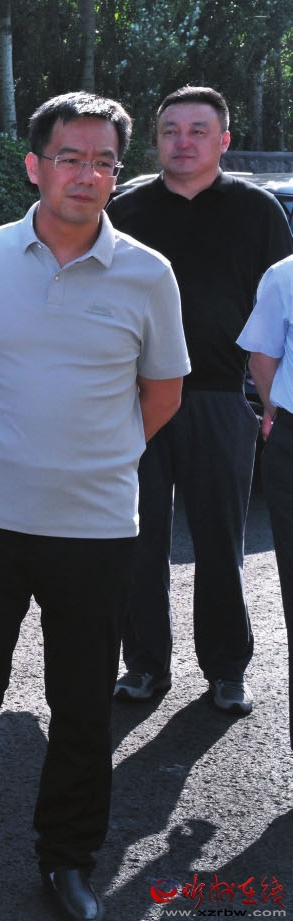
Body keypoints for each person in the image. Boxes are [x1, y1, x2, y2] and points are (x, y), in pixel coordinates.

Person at [0, 92, 187, 921]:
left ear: (117, 174)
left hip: (96, 527)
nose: (86, 175)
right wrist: (16, 446)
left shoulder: (148, 273)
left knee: (83, 706)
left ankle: (68, 860)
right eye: (69, 158)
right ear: (34, 165)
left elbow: (162, 393)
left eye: (103, 162)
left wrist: (95, 455)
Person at [105, 86, 293, 715]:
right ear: (156, 140)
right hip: (134, 398)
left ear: (224, 140)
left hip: (220, 395)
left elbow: (281, 314)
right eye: (171, 130)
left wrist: (270, 399)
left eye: (198, 130)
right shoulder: (125, 208)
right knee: (138, 540)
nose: (183, 142)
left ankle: (227, 670)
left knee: (219, 543)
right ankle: (145, 666)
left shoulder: (259, 211)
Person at [238, 253, 293, 748]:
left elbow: (263, 356)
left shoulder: (284, 273)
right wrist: (274, 410)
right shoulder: (285, 274)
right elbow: (261, 354)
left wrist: (274, 410)